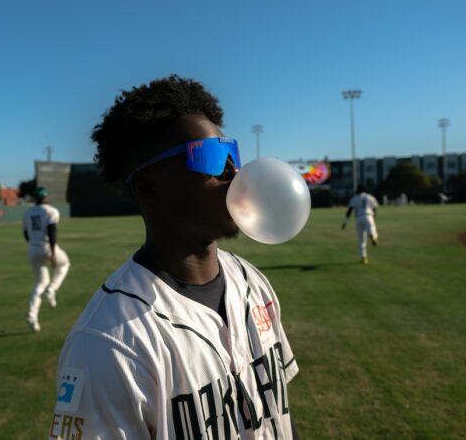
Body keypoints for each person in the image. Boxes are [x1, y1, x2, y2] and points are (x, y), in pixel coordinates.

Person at [50, 75, 299, 439]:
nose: (233, 171)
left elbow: (281, 417)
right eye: (211, 156)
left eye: (231, 151)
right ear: (148, 184)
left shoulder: (253, 282)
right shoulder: (108, 343)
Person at [22, 187, 71, 332]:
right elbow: (52, 232)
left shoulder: (27, 213)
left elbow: (26, 235)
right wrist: (53, 254)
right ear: (46, 197)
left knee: (40, 281)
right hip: (47, 247)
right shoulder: (51, 211)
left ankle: (32, 314)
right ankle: (52, 289)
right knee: (65, 264)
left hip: (33, 248)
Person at [341, 184, 379, 264]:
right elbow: (375, 207)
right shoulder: (370, 197)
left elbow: (350, 210)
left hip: (359, 218)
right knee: (372, 229)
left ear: (358, 190)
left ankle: (364, 258)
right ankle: (373, 236)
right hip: (368, 216)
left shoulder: (355, 198)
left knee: (361, 240)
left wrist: (345, 222)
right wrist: (374, 213)